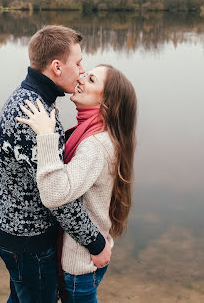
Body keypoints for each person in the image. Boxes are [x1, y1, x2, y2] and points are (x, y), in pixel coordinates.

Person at [0, 26, 112, 303]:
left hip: (13, 231)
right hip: (28, 239)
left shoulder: (27, 98)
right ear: (57, 67)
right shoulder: (38, 116)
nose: (82, 70)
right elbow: (57, 197)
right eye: (78, 63)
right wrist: (96, 243)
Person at [17, 64, 137, 302]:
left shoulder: (96, 145)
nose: (81, 78)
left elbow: (54, 193)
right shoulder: (91, 133)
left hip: (80, 264)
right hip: (86, 256)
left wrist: (46, 136)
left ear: (107, 103)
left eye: (91, 80)